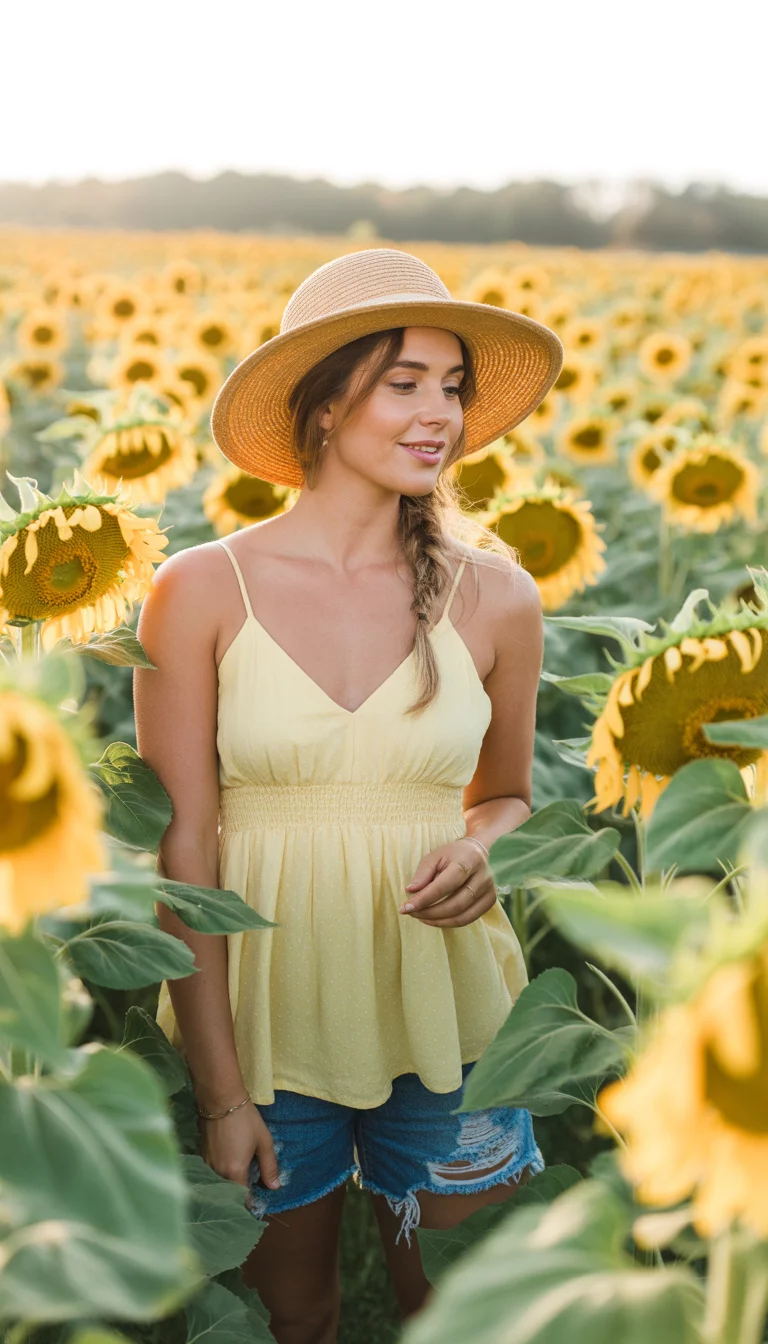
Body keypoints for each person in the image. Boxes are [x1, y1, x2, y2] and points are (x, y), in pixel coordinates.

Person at [134, 247, 563, 1344]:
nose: (440, 415)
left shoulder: (501, 596)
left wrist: (488, 851)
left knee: (460, 1316)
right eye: (405, 382)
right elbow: (182, 848)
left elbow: (507, 796)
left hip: (455, 1011)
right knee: (296, 1318)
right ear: (324, 406)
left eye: (454, 386)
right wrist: (223, 1094)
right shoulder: (198, 589)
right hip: (267, 1029)